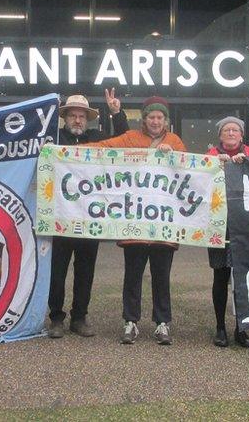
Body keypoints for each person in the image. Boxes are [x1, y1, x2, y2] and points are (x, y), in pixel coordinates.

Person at [88, 96, 185, 345]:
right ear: (144, 119)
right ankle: (130, 321)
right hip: (134, 224)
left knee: (161, 276)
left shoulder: (174, 141)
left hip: (164, 225)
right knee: (133, 275)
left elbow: (189, 171)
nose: (155, 121)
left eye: (159, 117)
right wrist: (66, 153)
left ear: (165, 120)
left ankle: (162, 323)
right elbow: (105, 147)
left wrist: (172, 155)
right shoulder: (130, 138)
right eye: (151, 117)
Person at [47, 89, 129, 339]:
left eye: (82, 116)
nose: (77, 120)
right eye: (73, 116)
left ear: (88, 119)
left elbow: (123, 141)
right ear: (65, 118)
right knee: (57, 271)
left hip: (89, 220)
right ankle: (56, 318)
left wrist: (117, 113)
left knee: (85, 271)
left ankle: (79, 317)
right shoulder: (54, 139)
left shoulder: (97, 138)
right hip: (59, 218)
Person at [206, 116, 249, 348]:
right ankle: (220, 327)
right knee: (221, 276)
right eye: (226, 130)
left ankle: (242, 327)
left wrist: (246, 164)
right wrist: (216, 164)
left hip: (245, 225)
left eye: (235, 130)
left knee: (243, 277)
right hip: (220, 224)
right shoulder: (210, 156)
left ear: (241, 135)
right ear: (220, 135)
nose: (230, 133)